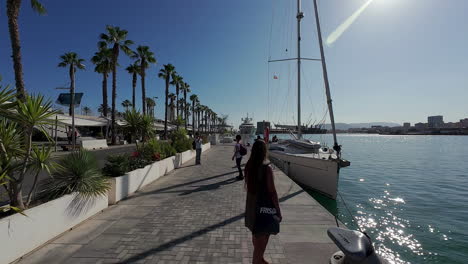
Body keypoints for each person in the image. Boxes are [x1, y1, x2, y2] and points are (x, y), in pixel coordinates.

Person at [244, 140, 282, 264]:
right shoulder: (266, 168)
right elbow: (272, 192)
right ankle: (258, 259)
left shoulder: (249, 166)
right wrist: (278, 210)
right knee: (262, 238)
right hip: (263, 208)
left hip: (251, 208)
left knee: (256, 235)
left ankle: (260, 259)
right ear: (264, 151)